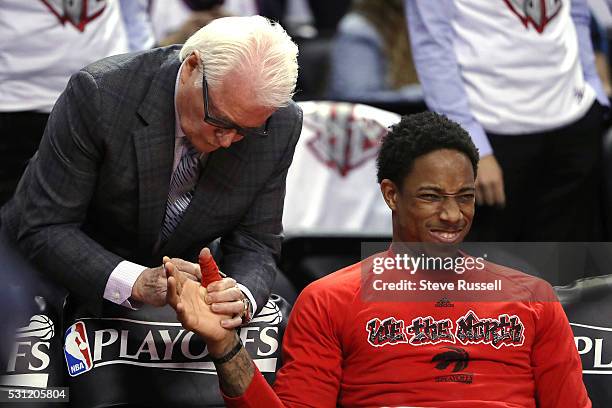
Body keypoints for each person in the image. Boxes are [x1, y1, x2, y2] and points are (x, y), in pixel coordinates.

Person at [165, 112, 590, 407]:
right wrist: (224, 345)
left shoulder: (534, 297)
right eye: (430, 197)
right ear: (391, 195)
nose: (452, 215)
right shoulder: (328, 301)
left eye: (465, 197)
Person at [0, 15, 302, 326]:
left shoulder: (278, 123)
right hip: (54, 267)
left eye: (244, 131)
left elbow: (256, 241)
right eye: (220, 121)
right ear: (191, 68)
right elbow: (46, 227)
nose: (227, 141)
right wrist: (136, 280)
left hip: (175, 274)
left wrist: (239, 295)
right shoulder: (102, 95)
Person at [405, 0, 608, 241]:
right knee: (493, 269)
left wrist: (593, 88)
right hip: (493, 135)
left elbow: (577, 12)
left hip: (575, 122)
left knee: (570, 267)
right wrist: (469, 141)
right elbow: (433, 45)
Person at [0, 0, 154, 206]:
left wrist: (141, 79)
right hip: (16, 102)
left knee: (101, 221)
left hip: (107, 99)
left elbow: (134, 16)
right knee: (13, 223)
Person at [327, 0, 422, 104]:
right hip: (370, 117)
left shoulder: (422, 23)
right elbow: (358, 98)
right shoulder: (359, 29)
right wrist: (421, 94)